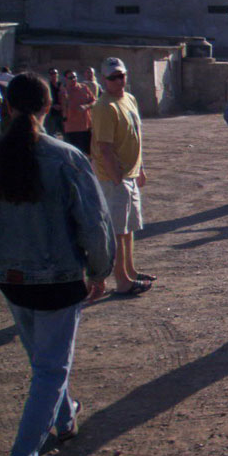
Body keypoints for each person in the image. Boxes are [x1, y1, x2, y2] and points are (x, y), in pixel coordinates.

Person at [0, 73, 115, 456]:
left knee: (44, 360)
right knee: (50, 368)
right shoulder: (65, 157)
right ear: (50, 107)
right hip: (59, 280)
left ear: (9, 106)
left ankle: (65, 419)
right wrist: (100, 271)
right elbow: (94, 222)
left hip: (12, 279)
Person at [91, 57, 153, 296]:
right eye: (113, 77)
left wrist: (140, 168)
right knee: (117, 230)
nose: (119, 81)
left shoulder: (129, 99)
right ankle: (121, 279)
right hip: (114, 177)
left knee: (129, 228)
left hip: (130, 173)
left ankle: (130, 270)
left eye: (121, 75)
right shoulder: (104, 106)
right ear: (104, 80)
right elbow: (104, 146)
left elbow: (136, 136)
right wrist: (116, 176)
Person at [59, 70, 96, 155]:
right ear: (66, 79)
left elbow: (94, 101)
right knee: (73, 154)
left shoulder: (84, 88)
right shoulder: (63, 91)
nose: (73, 79)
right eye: (71, 78)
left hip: (86, 127)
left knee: (89, 153)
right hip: (71, 128)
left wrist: (86, 106)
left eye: (75, 77)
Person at [44, 68, 63, 138]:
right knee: (51, 133)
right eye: (52, 74)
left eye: (55, 73)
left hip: (62, 112)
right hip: (51, 113)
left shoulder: (61, 85)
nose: (54, 75)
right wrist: (53, 105)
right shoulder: (47, 86)